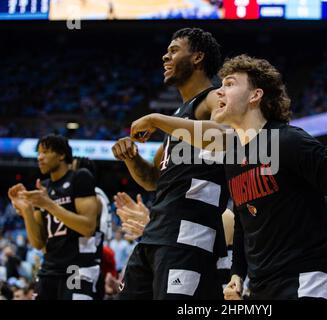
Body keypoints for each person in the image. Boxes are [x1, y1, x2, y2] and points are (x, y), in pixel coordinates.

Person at [129, 54, 327, 300]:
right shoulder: (234, 156)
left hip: (308, 279)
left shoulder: (290, 141)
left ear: (255, 95)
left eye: (229, 84)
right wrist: (238, 274)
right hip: (261, 285)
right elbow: (242, 219)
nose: (219, 92)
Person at [111, 28, 229, 300]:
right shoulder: (179, 117)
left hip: (189, 236)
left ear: (197, 57)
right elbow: (153, 179)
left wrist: (155, 119)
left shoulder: (213, 98)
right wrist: (131, 157)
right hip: (157, 234)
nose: (165, 56)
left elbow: (224, 137)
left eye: (174, 50)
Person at [7, 134, 103, 300]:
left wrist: (49, 204)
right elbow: (38, 243)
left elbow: (88, 228)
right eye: (38, 153)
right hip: (49, 267)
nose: (40, 157)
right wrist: (27, 211)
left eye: (45, 152)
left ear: (61, 155)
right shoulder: (43, 187)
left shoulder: (80, 177)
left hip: (78, 267)